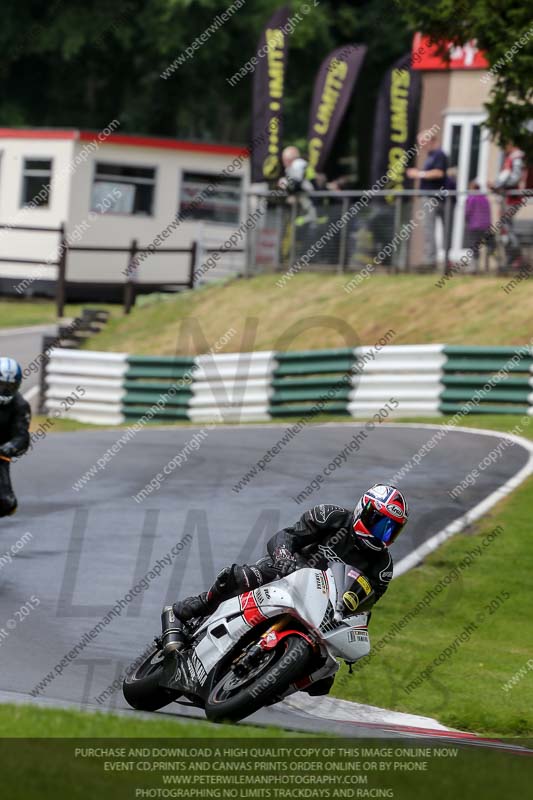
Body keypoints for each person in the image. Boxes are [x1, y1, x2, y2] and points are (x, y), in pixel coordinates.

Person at [161, 484, 409, 694]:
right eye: (380, 524)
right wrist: (283, 557)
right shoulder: (331, 516)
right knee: (237, 577)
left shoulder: (382, 566)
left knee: (323, 681)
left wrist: (352, 624)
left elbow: (366, 604)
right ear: (363, 511)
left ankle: (265, 687)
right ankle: (188, 610)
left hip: (325, 607)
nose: (382, 535)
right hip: (288, 573)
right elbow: (286, 536)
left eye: (391, 530)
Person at [407, 132, 449, 269]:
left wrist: (418, 174)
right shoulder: (431, 156)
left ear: (431, 140)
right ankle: (430, 259)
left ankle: (432, 260)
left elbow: (439, 173)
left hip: (434, 197)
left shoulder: (439, 154)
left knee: (431, 228)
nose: (421, 145)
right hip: (430, 197)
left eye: (423, 141)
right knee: (428, 228)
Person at [0, 358, 31, 517]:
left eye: (9, 387)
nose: (4, 390)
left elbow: (22, 437)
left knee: (7, 504)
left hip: (0, 453)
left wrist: (9, 447)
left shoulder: (20, 405)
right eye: (1, 385)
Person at [490, 142, 526, 269]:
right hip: (507, 199)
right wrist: (496, 185)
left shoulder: (516, 158)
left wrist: (498, 185)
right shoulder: (510, 158)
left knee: (507, 228)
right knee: (505, 228)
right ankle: (511, 258)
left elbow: (515, 178)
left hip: (513, 199)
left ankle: (515, 255)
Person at [278, 145, 317, 226]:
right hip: (307, 199)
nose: (283, 163)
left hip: (310, 198)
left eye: (284, 160)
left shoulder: (298, 164)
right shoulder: (296, 165)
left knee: (306, 223)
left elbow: (296, 183)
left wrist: (286, 187)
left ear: (289, 159)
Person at [464, 180, 492, 271]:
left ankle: (474, 268)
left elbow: (468, 212)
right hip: (486, 226)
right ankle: (489, 266)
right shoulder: (485, 198)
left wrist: (466, 221)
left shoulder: (471, 198)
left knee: (474, 246)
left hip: (474, 226)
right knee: (489, 246)